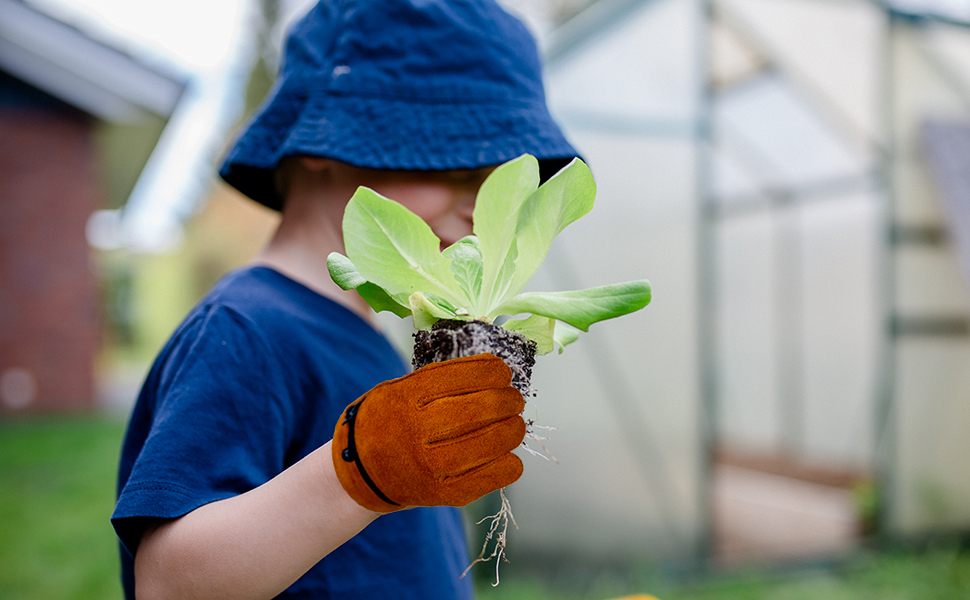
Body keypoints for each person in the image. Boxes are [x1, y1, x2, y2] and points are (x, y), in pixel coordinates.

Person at [111, 0, 579, 598]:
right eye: (458, 166)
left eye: (502, 179)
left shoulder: (356, 327)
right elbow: (169, 582)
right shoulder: (250, 329)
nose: (481, 205)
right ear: (321, 141)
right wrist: (364, 470)